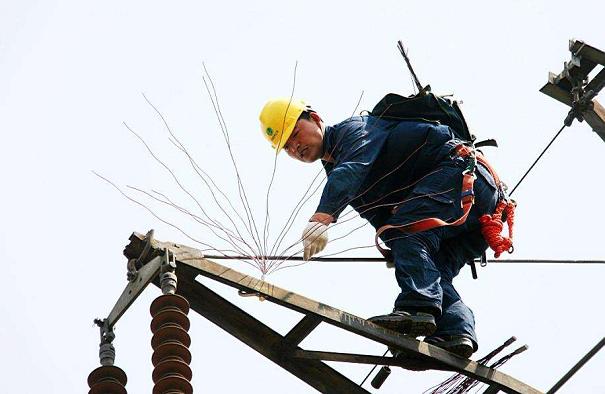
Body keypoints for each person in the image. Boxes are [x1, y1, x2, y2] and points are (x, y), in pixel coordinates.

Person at [259, 97, 504, 358]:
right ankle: (455, 332)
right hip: (474, 208)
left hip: (462, 178)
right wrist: (398, 249)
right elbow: (379, 215)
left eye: (295, 134)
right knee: (432, 269)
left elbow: (351, 170)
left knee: (408, 232)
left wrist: (322, 217)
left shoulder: (353, 131)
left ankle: (417, 308)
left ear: (316, 119)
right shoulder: (338, 168)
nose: (295, 147)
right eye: (286, 147)